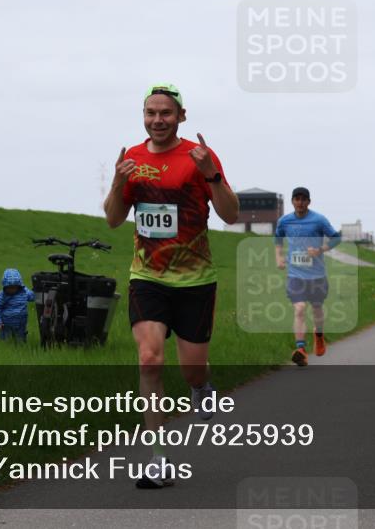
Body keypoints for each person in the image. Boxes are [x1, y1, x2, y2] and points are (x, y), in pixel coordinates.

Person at [103, 83, 239, 489]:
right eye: (151, 112)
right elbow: (113, 219)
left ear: (181, 116)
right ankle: (159, 460)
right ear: (143, 116)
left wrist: (211, 173)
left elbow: (231, 215)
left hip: (196, 280)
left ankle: (201, 386)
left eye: (165, 113)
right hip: (148, 276)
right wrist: (117, 181)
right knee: (149, 359)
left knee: (191, 369)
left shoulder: (199, 156)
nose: (157, 120)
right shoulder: (133, 158)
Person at [274, 187, 341, 367]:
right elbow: (278, 239)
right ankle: (301, 350)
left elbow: (336, 238)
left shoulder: (319, 220)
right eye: (297, 199)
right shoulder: (284, 221)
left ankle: (319, 336)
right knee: (300, 308)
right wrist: (279, 257)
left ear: (309, 202)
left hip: (317, 275)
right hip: (295, 274)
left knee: (317, 308)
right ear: (292, 201)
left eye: (303, 199)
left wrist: (320, 250)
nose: (300, 202)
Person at [0, 269, 34, 342]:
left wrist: (36, 290)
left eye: (14, 287)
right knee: (6, 339)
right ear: (5, 286)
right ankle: (6, 346)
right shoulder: (2, 295)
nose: (11, 290)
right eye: (9, 287)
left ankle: (21, 345)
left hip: (21, 322)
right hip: (6, 324)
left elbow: (32, 297)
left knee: (20, 338)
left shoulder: (24, 292)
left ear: (18, 286)